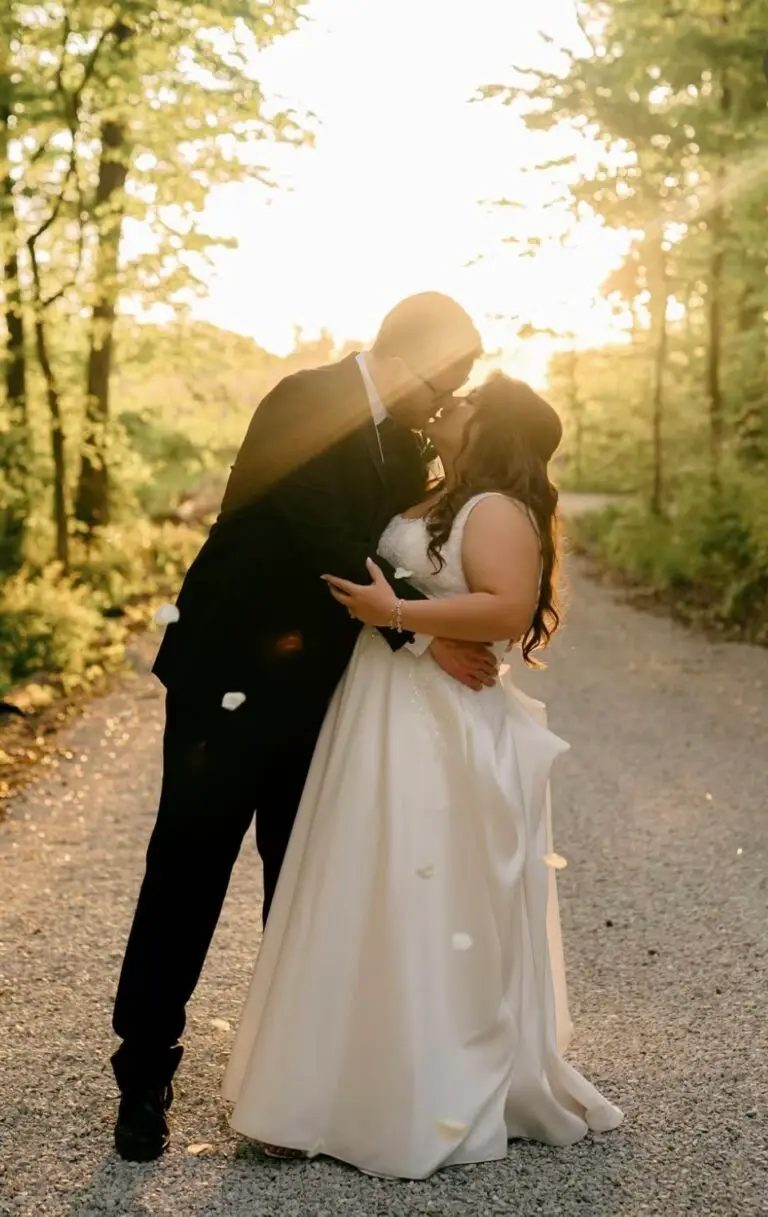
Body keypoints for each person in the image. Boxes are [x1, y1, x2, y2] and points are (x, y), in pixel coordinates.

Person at [111, 292, 493, 1162]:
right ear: (405, 355)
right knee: (189, 865)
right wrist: (427, 634)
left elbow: (406, 541)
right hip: (228, 677)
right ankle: (144, 1068)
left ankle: (289, 1081)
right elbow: (329, 538)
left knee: (306, 878)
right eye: (443, 383)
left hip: (326, 691)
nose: (443, 402)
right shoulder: (306, 399)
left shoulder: (407, 439)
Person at [223, 373, 624, 1179]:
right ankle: (329, 1088)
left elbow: (507, 610)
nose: (455, 400)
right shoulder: (435, 490)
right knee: (359, 886)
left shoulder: (496, 508)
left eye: (472, 398)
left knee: (421, 891)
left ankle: (421, 1090)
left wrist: (401, 617)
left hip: (439, 727)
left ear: (495, 427)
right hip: (378, 709)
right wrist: (408, 625)